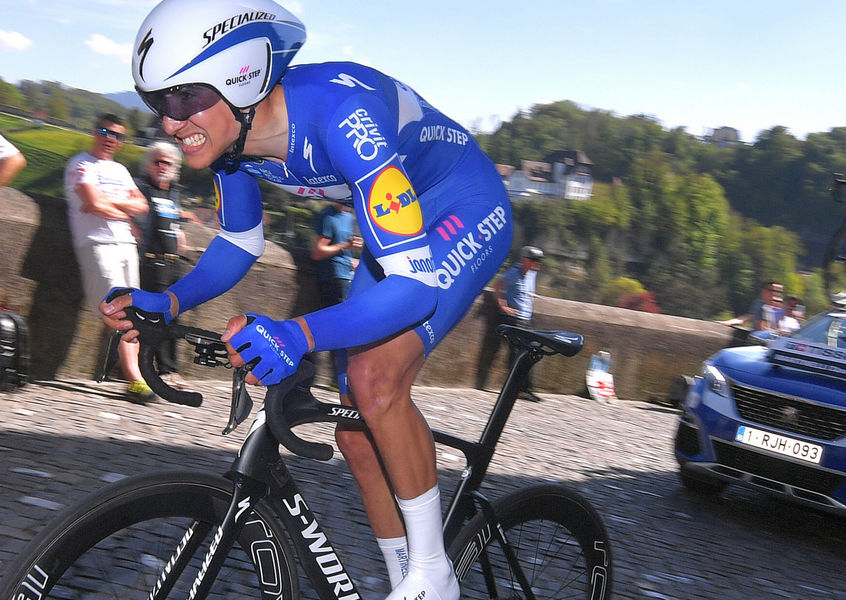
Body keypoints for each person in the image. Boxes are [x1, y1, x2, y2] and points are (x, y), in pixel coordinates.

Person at [101, 3, 512, 599]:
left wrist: (296, 335)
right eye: (159, 102)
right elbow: (241, 241)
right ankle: (406, 578)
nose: (170, 121)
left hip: (463, 203)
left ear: (240, 75)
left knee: (373, 382)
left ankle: (433, 574)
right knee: (352, 426)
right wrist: (170, 300)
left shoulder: (343, 117)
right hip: (394, 229)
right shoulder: (233, 142)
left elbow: (415, 289)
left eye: (186, 96)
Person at [66, 113, 152, 402]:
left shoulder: (120, 170)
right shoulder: (80, 164)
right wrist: (122, 212)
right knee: (118, 312)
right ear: (95, 131)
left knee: (134, 311)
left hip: (127, 246)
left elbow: (141, 205)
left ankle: (134, 374)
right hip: (98, 244)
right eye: (105, 131)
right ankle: (135, 379)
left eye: (117, 135)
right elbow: (91, 202)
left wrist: (109, 203)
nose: (110, 138)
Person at [134, 141, 196, 390]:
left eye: (167, 163)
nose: (161, 166)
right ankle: (163, 370)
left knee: (174, 318)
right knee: (156, 319)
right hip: (152, 262)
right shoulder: (142, 188)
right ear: (148, 164)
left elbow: (173, 222)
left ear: (175, 167)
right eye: (156, 161)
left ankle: (170, 370)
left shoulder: (173, 192)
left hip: (174, 265)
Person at [309, 200, 362, 390]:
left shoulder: (349, 217)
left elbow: (344, 251)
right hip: (332, 278)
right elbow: (318, 252)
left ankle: (340, 378)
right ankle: (338, 378)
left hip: (346, 277)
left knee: (345, 328)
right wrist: (343, 246)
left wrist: (352, 259)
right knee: (339, 328)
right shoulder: (327, 215)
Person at [490, 246, 543, 398]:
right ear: (525, 260)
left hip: (527, 318)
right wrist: (503, 306)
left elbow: (526, 290)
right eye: (534, 260)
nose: (537, 264)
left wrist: (530, 295)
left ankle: (526, 389)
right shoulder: (514, 273)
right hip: (515, 319)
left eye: (538, 261)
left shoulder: (531, 274)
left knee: (531, 352)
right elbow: (497, 286)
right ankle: (516, 388)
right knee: (517, 354)